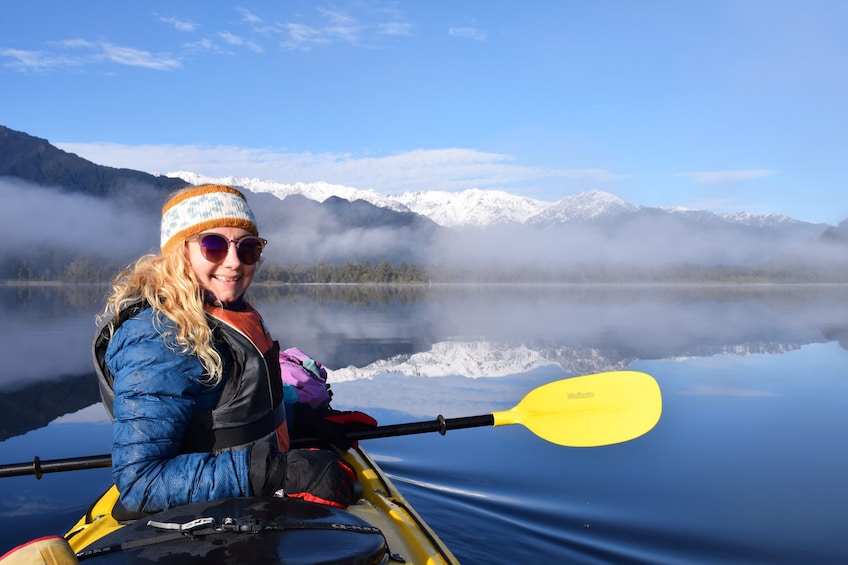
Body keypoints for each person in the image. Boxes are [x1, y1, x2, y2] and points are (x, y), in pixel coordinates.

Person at [93, 184, 357, 517]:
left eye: (248, 249)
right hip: (204, 526)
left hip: (249, 505)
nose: (233, 262)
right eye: (213, 245)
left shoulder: (223, 309)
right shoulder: (155, 337)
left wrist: (301, 420)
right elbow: (139, 484)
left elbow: (232, 413)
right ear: (180, 252)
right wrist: (277, 472)